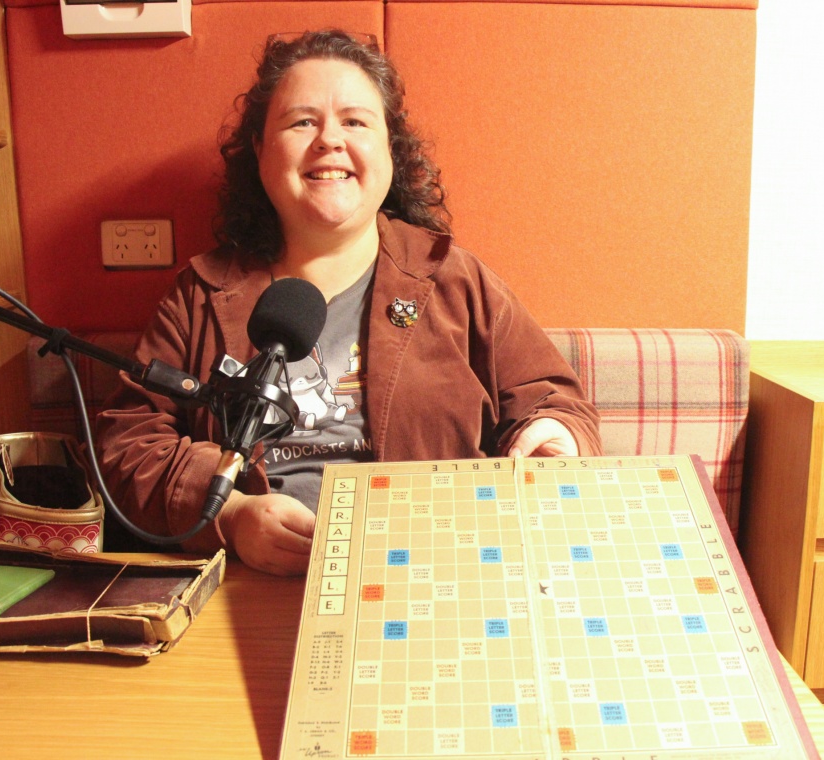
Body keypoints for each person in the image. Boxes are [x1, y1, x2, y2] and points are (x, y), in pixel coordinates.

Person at [96, 30, 602, 576]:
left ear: (390, 151)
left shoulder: (455, 280)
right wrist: (234, 516)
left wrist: (555, 436)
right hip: (251, 583)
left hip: (434, 573)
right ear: (261, 152)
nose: (329, 141)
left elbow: (556, 403)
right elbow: (128, 446)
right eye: (301, 122)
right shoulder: (201, 293)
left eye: (355, 122)